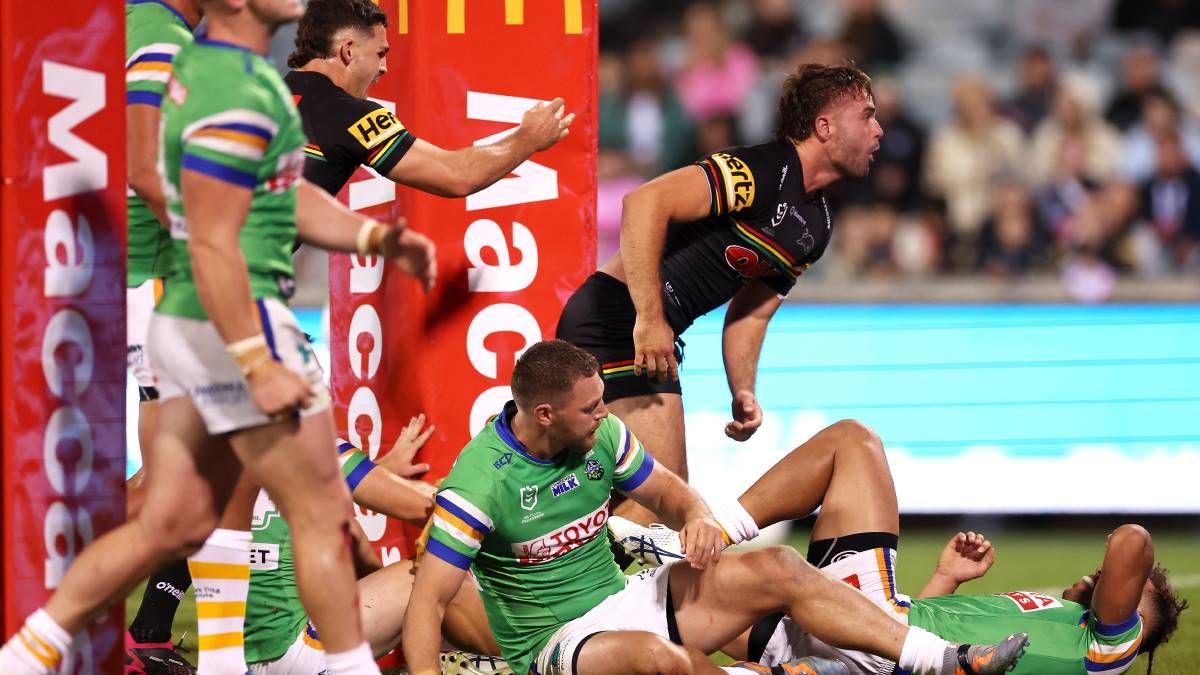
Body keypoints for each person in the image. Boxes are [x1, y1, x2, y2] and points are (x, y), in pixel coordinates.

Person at [0, 0, 437, 672]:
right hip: (207, 309)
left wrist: (373, 235)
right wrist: (249, 350)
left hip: (200, 308)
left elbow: (280, 197)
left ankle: (32, 654)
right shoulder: (176, 50)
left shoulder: (248, 77)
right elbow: (166, 190)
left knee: (176, 516)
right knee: (314, 504)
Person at [401, 340, 1028, 675]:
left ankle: (939, 661)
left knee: (779, 567)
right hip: (556, 644)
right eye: (590, 409)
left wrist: (698, 519)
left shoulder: (604, 437)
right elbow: (427, 600)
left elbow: (672, 494)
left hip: (625, 597)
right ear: (545, 414)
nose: (604, 415)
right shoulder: (479, 485)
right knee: (659, 661)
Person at [555, 63, 881, 529]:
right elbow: (645, 202)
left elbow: (751, 314)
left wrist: (743, 388)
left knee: (639, 500)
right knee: (662, 499)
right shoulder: (761, 169)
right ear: (825, 127)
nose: (878, 130)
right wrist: (649, 319)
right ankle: (566, 587)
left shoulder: (818, 225)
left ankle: (547, 574)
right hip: (616, 317)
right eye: (866, 116)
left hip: (640, 330)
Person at [609, 419, 1189, 675]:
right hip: (871, 623)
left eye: (1129, 601)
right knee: (851, 444)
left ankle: (678, 548)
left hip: (876, 652)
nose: (1108, 585)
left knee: (665, 638)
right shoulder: (1062, 620)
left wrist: (1121, 572)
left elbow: (1132, 543)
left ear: (1132, 631)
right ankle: (692, 538)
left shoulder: (1103, 657)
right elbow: (922, 624)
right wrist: (946, 580)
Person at [245, 417, 500, 674]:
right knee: (435, 577)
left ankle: (400, 634)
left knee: (345, 531)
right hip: (292, 655)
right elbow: (429, 509)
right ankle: (521, 658)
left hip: (230, 658)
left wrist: (381, 472)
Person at [284, 0, 574, 200]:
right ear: (348, 50)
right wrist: (527, 138)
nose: (383, 68)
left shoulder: (266, 95)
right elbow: (456, 176)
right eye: (380, 54)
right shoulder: (353, 116)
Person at [123, 1, 207, 671]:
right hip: (154, 277)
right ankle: (58, 615)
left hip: (138, 277)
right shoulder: (161, 36)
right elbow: (141, 159)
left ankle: (147, 631)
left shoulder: (141, 26)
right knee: (173, 474)